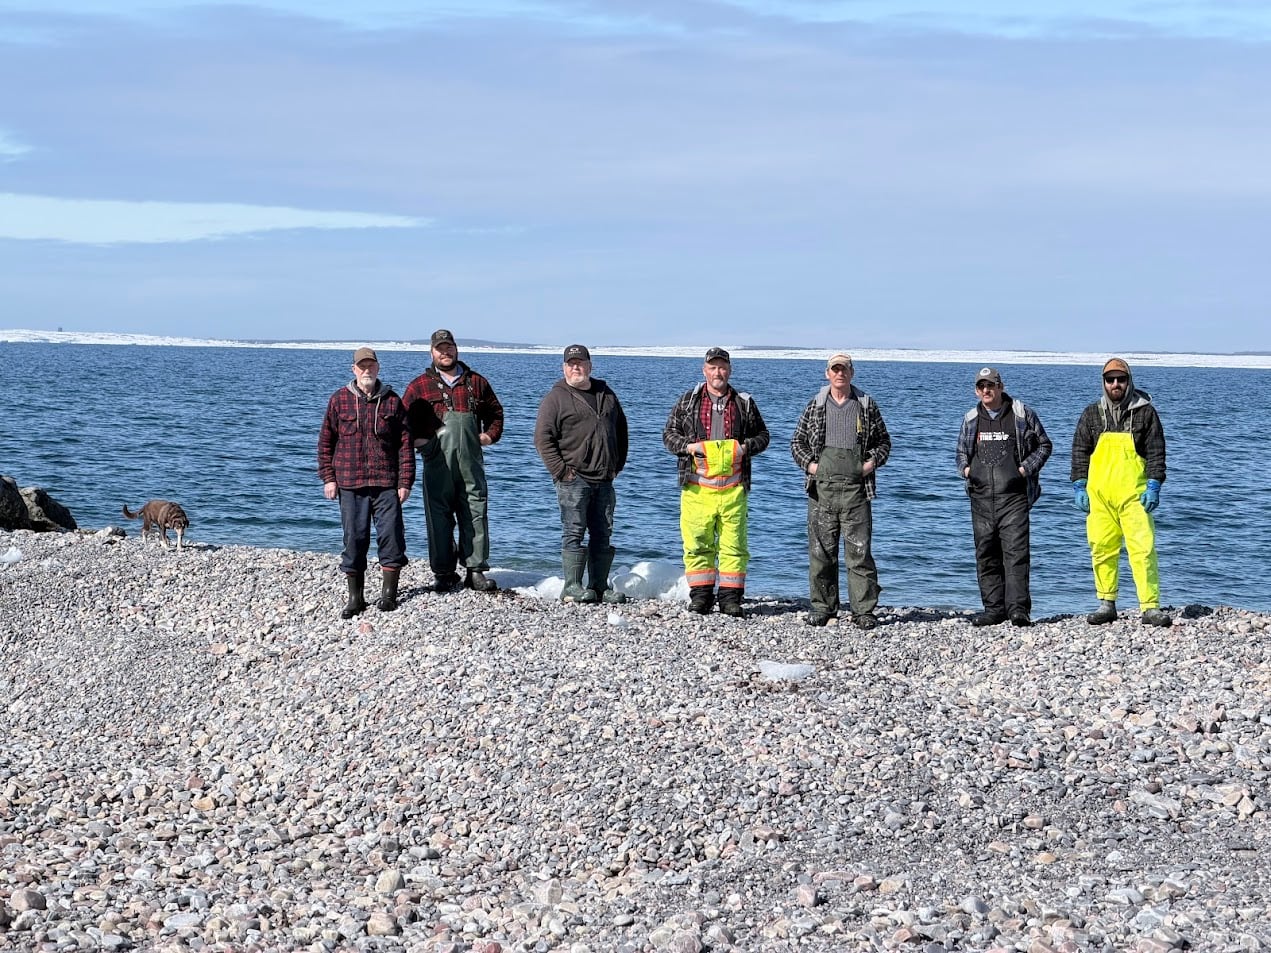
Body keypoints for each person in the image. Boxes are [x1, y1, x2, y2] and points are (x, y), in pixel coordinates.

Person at [663, 347, 770, 617]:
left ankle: (731, 598)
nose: (717, 372)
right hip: (696, 487)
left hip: (734, 489)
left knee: (734, 545)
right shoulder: (689, 401)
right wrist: (688, 448)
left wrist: (745, 448)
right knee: (697, 543)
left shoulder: (743, 402)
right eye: (713, 367)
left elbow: (763, 436)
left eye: (722, 367)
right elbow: (668, 435)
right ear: (704, 370)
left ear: (729, 370)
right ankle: (701, 597)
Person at [790, 353, 892, 629]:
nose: (839, 374)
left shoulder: (866, 405)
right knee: (821, 552)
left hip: (857, 490)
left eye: (844, 369)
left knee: (859, 552)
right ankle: (823, 607)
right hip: (821, 490)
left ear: (851, 372)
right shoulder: (815, 405)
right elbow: (797, 442)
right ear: (827, 373)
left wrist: (870, 465)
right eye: (835, 370)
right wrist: (811, 467)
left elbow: (884, 442)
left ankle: (864, 611)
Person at [1071, 358, 1171, 627]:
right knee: (1102, 547)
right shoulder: (1092, 414)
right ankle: (1106, 603)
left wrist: (1154, 484)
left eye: (1121, 379)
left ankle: (1150, 606)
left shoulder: (1145, 413)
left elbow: (1156, 452)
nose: (1116, 384)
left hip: (1134, 496)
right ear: (1103, 382)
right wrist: (1079, 484)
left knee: (1143, 549)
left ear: (1129, 381)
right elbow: (1080, 451)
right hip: (1100, 496)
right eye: (1110, 379)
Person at [402, 329, 504, 593]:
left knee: (475, 512)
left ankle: (476, 571)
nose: (445, 352)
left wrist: (488, 437)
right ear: (431, 352)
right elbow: (403, 424)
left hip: (471, 462)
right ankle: (444, 572)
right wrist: (422, 443)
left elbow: (495, 412)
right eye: (440, 348)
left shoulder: (476, 382)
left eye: (449, 347)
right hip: (437, 463)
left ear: (456, 349)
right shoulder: (419, 386)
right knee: (439, 517)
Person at [317, 347, 415, 618]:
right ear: (354, 370)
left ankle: (388, 595)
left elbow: (405, 446)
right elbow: (326, 442)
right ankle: (355, 598)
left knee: (392, 539)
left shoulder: (393, 401)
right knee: (355, 541)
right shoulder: (339, 400)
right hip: (349, 483)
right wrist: (328, 478)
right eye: (362, 367)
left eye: (371, 366)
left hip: (387, 484)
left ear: (378, 368)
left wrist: (405, 482)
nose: (367, 371)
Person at [956, 367, 1053, 627]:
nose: (986, 390)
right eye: (981, 386)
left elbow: (1045, 445)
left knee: (1016, 554)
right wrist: (967, 471)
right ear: (977, 390)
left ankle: (1018, 610)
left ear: (1001, 386)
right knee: (986, 553)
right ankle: (993, 609)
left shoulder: (1021, 414)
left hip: (1014, 497)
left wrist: (1024, 469)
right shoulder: (970, 419)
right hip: (981, 498)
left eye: (991, 385)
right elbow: (960, 453)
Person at [534, 344, 630, 604]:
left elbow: (621, 430)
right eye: (571, 363)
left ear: (590, 365)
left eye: (581, 362)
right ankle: (573, 586)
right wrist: (561, 471)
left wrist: (617, 464)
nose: (576, 367)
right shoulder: (556, 398)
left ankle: (599, 585)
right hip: (573, 479)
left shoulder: (606, 394)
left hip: (605, 477)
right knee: (574, 530)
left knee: (603, 532)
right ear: (564, 367)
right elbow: (543, 439)